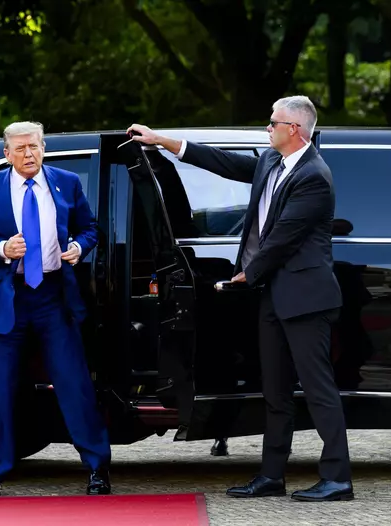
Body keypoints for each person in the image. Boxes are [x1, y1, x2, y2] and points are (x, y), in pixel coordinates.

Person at [126, 95, 353, 502]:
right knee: (275, 391)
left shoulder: (314, 176)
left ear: (294, 130)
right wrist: (163, 141)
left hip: (305, 299)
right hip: (274, 297)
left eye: (273, 123)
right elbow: (225, 163)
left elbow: (284, 238)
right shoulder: (271, 162)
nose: (267, 128)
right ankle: (271, 476)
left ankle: (338, 478)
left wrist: (242, 277)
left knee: (319, 391)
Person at [0, 121, 112, 497]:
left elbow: (90, 228)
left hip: (53, 296)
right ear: (7, 153)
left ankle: (97, 469)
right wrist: (0, 248)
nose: (29, 154)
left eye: (35, 147)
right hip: (5, 298)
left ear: (44, 149)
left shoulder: (66, 183)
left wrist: (79, 247)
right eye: (22, 148)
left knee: (74, 385)